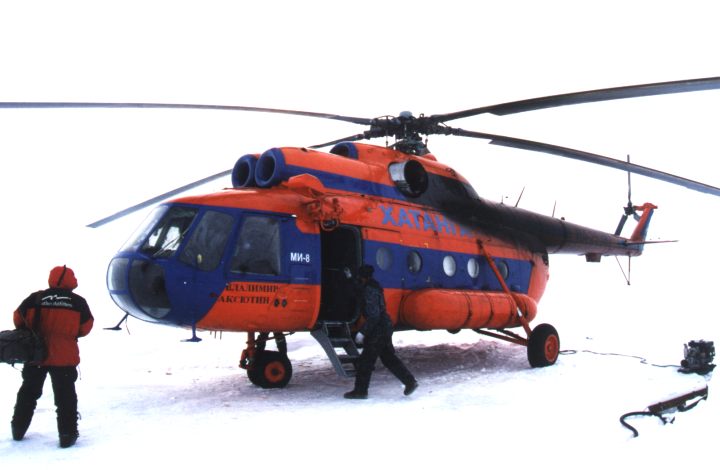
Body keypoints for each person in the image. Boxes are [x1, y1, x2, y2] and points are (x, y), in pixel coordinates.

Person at [10, 265, 94, 448]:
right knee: (65, 397)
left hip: (36, 356)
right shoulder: (78, 302)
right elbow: (86, 327)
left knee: (28, 393)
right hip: (64, 357)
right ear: (70, 281)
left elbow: (18, 319)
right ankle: (67, 435)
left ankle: (18, 429)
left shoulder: (35, 298)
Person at [344, 264, 418, 399]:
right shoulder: (371, 286)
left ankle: (360, 391)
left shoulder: (370, 290)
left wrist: (363, 332)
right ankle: (410, 382)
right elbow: (359, 290)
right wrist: (349, 279)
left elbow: (374, 315)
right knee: (389, 358)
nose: (358, 278)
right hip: (383, 327)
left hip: (378, 329)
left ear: (363, 277)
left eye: (359, 276)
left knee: (366, 361)